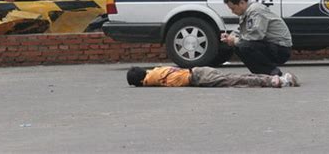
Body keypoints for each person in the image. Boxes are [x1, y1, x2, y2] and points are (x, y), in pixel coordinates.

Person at [221, 0, 292, 76]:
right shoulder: (246, 12)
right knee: (239, 46)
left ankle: (272, 72)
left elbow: (255, 35)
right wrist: (229, 37)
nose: (232, 12)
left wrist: (235, 40)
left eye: (233, 8)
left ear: (242, 3)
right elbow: (240, 31)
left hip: (280, 48)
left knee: (244, 46)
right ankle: (261, 73)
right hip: (270, 45)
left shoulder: (255, 11)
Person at [126, 66, 299, 88]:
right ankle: (280, 78)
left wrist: (141, 84)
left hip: (199, 79)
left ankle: (275, 81)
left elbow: (146, 82)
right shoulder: (153, 70)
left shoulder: (149, 80)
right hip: (198, 71)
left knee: (236, 80)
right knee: (237, 76)